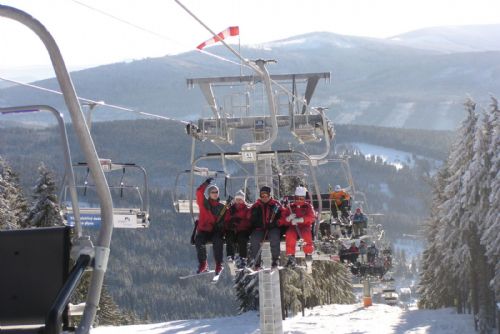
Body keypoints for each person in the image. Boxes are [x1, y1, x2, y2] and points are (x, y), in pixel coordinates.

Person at [248, 186, 285, 269]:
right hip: (260, 229)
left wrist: (277, 222)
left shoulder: (276, 205)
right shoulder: (256, 206)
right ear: (260, 196)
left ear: (269, 195)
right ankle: (257, 262)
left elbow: (283, 216)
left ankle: (275, 259)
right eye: (262, 195)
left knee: (274, 237)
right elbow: (249, 217)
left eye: (266, 195)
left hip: (272, 228)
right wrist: (254, 221)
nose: (264, 197)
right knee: (254, 238)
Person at [194, 178, 226, 275]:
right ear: (209, 193)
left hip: (215, 231)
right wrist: (206, 183)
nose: (215, 194)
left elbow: (226, 219)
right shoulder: (204, 203)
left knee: (218, 241)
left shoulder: (222, 207)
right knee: (199, 241)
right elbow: (199, 192)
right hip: (204, 230)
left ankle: (218, 264)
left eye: (216, 192)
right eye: (212, 192)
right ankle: (203, 263)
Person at [282, 186, 315, 268]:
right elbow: (283, 218)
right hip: (293, 227)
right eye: (297, 198)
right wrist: (288, 218)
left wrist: (301, 220)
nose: (299, 201)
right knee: (290, 234)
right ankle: (291, 256)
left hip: (304, 226)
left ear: (304, 199)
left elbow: (312, 217)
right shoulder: (291, 207)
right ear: (295, 198)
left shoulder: (308, 206)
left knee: (306, 234)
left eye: (301, 199)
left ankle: (308, 254)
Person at [224, 190, 251, 269]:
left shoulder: (247, 209)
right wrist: (229, 225)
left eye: (240, 199)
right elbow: (226, 220)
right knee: (229, 237)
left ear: (243, 200)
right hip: (233, 230)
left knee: (242, 239)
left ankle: (243, 258)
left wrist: (240, 222)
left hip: (243, 229)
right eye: (237, 199)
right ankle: (230, 255)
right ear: (235, 200)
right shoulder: (231, 209)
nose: (238, 201)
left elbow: (249, 220)